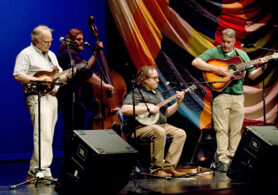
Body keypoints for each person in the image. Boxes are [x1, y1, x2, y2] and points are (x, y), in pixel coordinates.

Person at [191, 29, 267, 172]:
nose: (225, 45)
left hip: (238, 96)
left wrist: (262, 68)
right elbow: (196, 62)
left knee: (237, 130)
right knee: (221, 129)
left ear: (234, 42)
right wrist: (216, 69)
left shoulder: (241, 55)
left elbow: (251, 76)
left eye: (228, 42)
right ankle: (223, 160)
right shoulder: (214, 52)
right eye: (223, 41)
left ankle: (233, 159)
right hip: (221, 96)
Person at [13, 25, 71, 181]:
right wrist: (39, 80)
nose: (49, 44)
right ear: (36, 41)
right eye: (46, 42)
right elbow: (18, 75)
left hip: (51, 97)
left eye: (50, 41)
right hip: (36, 96)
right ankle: (42, 172)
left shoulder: (51, 55)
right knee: (43, 133)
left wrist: (65, 77)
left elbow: (58, 75)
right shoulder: (26, 54)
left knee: (48, 134)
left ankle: (35, 171)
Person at [56, 28, 113, 157]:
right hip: (72, 98)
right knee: (73, 131)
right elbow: (86, 73)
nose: (82, 42)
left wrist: (96, 54)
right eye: (78, 39)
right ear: (70, 40)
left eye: (82, 39)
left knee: (75, 130)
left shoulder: (73, 54)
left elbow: (84, 67)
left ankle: (73, 160)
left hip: (76, 99)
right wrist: (104, 85)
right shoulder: (69, 53)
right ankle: (71, 161)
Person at [121, 66, 187, 177]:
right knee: (158, 131)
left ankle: (169, 167)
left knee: (180, 133)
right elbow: (125, 109)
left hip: (160, 124)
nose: (158, 80)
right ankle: (156, 170)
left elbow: (166, 113)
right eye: (154, 78)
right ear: (145, 79)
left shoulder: (158, 94)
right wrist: (147, 108)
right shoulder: (137, 93)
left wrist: (178, 103)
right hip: (139, 128)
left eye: (157, 78)